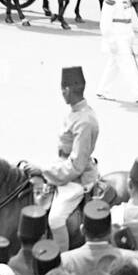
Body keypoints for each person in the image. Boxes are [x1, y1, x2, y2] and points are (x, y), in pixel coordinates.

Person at [42, 66, 99, 251]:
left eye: (62, 90)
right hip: (64, 166)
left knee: (55, 218)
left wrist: (46, 172)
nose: (62, 94)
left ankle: (63, 262)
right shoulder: (75, 112)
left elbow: (76, 166)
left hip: (77, 177)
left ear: (66, 90)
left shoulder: (84, 121)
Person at [95, 0, 138, 105]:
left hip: (125, 34)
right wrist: (110, 39)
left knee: (113, 64)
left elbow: (128, 19)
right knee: (128, 64)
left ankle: (102, 89)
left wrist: (131, 35)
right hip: (116, 35)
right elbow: (105, 21)